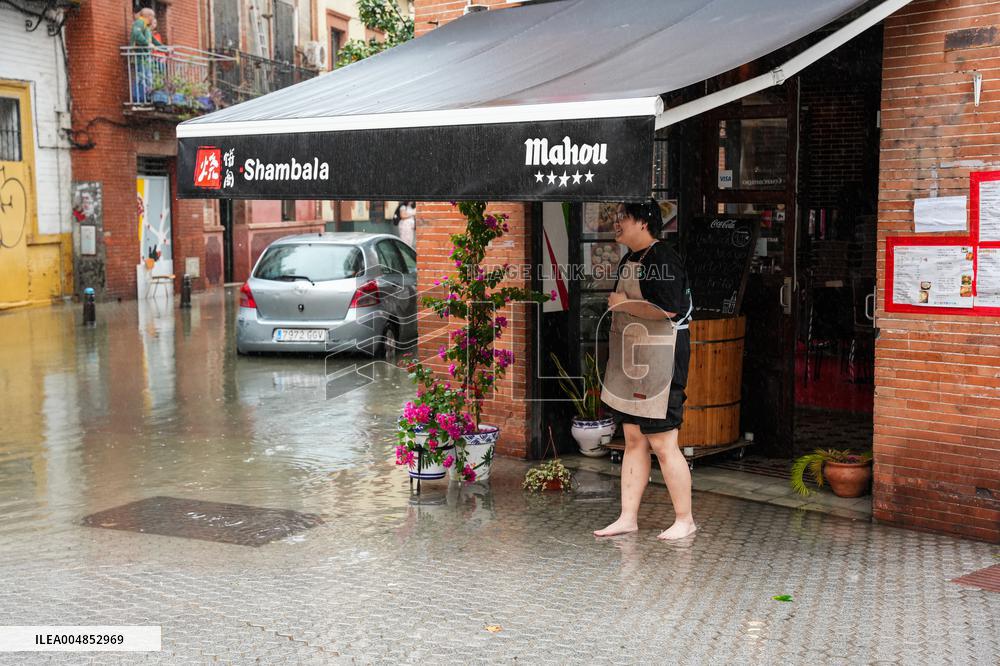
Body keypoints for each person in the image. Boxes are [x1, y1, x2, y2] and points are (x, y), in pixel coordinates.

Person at [594, 199, 695, 541]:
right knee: (634, 438)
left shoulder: (663, 258)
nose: (616, 222)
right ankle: (627, 517)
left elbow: (668, 310)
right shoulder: (630, 259)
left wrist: (624, 305)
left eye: (623, 217)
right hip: (633, 359)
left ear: (644, 222)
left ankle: (685, 519)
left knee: (664, 441)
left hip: (661, 359)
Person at [129, 8, 156, 103]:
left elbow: (153, 40)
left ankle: (145, 96)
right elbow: (137, 34)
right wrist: (147, 44)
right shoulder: (140, 22)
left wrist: (165, 48)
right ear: (149, 16)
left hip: (144, 55)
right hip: (140, 56)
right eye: (153, 16)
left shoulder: (145, 25)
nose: (153, 19)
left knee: (146, 76)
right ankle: (140, 97)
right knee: (142, 76)